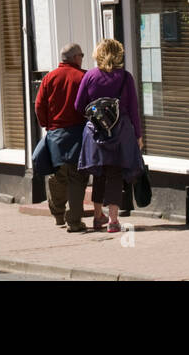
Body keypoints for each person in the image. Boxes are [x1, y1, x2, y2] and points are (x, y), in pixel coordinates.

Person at [74, 38, 144, 233]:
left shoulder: (90, 76)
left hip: (95, 132)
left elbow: (79, 105)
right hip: (120, 132)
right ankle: (113, 220)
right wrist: (138, 135)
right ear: (118, 54)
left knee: (98, 173)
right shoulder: (125, 77)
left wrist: (96, 117)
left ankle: (97, 217)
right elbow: (133, 109)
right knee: (114, 173)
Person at [34, 43, 88, 232]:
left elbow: (39, 105)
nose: (82, 58)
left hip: (55, 135)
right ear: (75, 57)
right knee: (77, 177)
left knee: (58, 175)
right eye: (81, 55)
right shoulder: (82, 77)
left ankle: (58, 215)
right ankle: (74, 221)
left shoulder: (49, 78)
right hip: (77, 134)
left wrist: (46, 125)